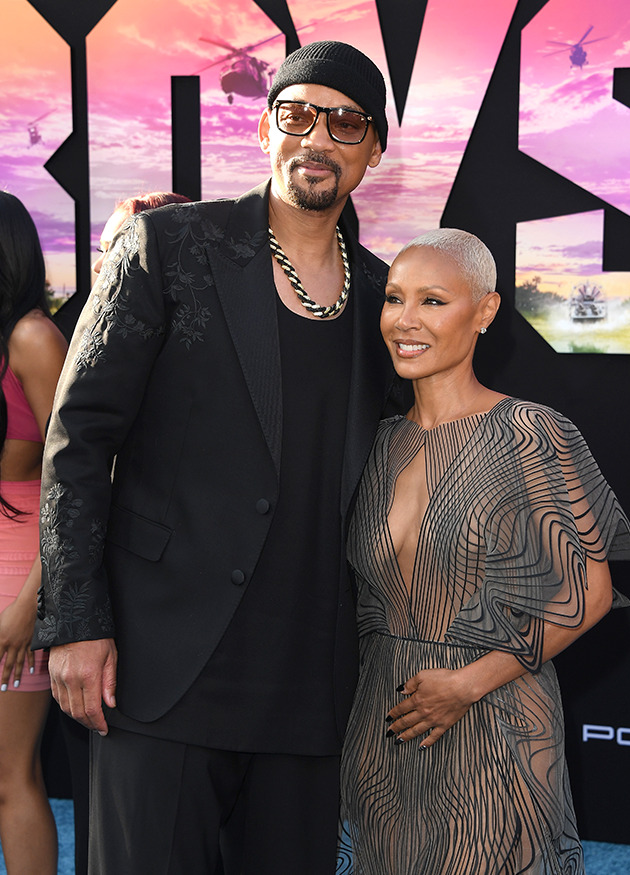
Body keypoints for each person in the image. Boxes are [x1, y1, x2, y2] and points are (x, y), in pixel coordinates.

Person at [33, 41, 400, 874]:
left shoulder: (384, 298)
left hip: (309, 686)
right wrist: (77, 626)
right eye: (298, 114)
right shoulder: (168, 247)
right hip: (160, 670)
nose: (318, 139)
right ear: (267, 128)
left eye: (346, 123)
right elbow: (79, 439)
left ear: (373, 151)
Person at [338, 229, 630, 874]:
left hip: (494, 721)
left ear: (484, 312)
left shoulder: (531, 433)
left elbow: (590, 597)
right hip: (383, 722)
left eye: (433, 301)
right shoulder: (376, 441)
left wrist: (466, 685)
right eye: (394, 299)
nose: (406, 320)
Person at [59, 190, 192, 875]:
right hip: (92, 627)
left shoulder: (183, 369)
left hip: (154, 642)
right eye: (108, 254)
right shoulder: (94, 352)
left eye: (127, 256)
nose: (114, 272)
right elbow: (71, 477)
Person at [0, 191, 68, 874]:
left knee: (9, 776)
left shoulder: (32, 337)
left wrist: (30, 605)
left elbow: (75, 479)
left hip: (15, 574)